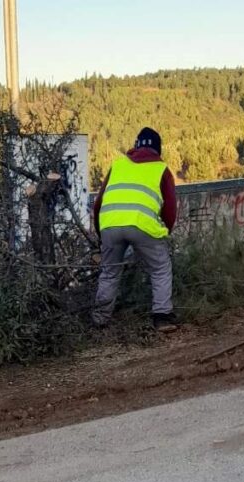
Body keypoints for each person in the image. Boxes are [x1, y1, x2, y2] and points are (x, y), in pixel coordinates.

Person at [91, 127, 179, 332]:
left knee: (109, 272)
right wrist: (166, 232)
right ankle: (162, 316)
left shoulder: (118, 165)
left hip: (109, 225)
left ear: (135, 146)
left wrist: (101, 235)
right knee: (160, 268)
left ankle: (100, 320)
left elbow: (98, 203)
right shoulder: (161, 169)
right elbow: (170, 209)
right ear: (158, 150)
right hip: (143, 225)